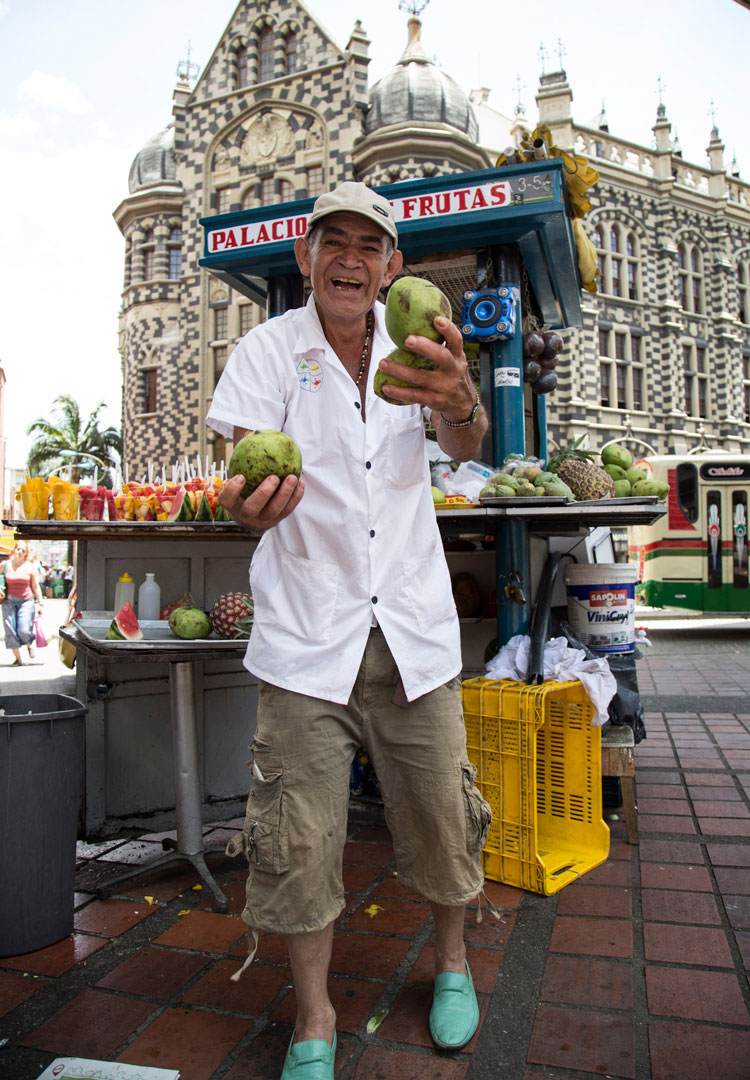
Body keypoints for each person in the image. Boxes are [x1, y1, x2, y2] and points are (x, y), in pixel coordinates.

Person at [208, 181, 492, 1080]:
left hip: (412, 626)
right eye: (334, 241)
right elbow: (239, 474)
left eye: (370, 247)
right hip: (305, 635)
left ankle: (451, 966)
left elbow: (467, 447)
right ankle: (316, 1020)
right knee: (296, 840)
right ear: (306, 257)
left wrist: (460, 397)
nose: (351, 260)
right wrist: (247, 504)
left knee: (444, 816)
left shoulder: (421, 346)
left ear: (393, 267)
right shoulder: (268, 350)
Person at [2, 540, 44, 666]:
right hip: (9, 601)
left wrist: (41, 603)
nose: (19, 552)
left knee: (24, 630)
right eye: (18, 549)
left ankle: (29, 643)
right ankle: (18, 659)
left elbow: (36, 587)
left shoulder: (29, 567)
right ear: (14, 550)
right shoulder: (5, 565)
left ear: (26, 554)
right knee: (10, 630)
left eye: (23, 550)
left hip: (26, 601)